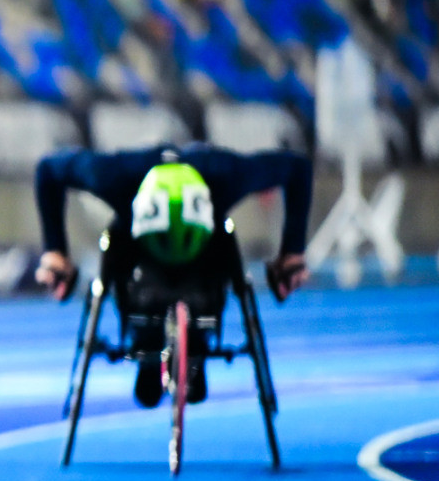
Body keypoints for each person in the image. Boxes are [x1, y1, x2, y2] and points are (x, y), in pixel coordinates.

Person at [33, 144, 312, 406]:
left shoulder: (222, 174)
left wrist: (292, 254)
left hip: (204, 276)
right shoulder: (118, 176)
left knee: (223, 239)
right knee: (117, 238)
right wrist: (55, 253)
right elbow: (47, 169)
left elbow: (298, 168)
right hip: (140, 279)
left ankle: (196, 344)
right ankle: (146, 341)